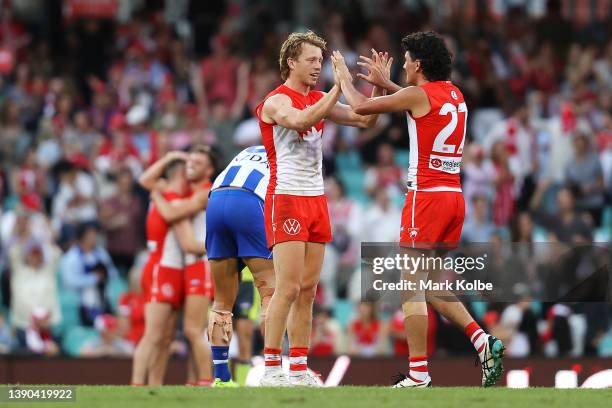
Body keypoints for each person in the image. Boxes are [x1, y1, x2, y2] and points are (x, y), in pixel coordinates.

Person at [332, 31, 504, 387]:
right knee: (431, 285)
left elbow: (362, 108)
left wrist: (345, 80)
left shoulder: (418, 94)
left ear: (419, 64)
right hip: (453, 198)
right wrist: (388, 83)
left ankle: (418, 375)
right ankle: (482, 340)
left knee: (410, 288)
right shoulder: (454, 95)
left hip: (424, 198)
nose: (404, 63)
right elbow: (418, 102)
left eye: (407, 58)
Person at [256, 30, 386, 386]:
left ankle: (297, 368)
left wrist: (378, 87)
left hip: (316, 200)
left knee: (310, 290)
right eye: (311, 60)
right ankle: (270, 368)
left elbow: (365, 119)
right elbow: (301, 121)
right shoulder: (275, 101)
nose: (317, 67)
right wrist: (338, 87)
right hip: (287, 198)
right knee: (288, 287)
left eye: (320, 61)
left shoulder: (317, 98)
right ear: (291, 62)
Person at [139, 145, 217, 386]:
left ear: (209, 170)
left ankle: (207, 380)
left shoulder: (204, 192)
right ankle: (195, 382)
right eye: (190, 162)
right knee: (192, 331)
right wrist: (171, 157)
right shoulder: (187, 191)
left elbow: (174, 216)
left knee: (194, 331)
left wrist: (157, 196)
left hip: (201, 264)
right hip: (191, 265)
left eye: (198, 163)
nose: (191, 166)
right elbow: (146, 179)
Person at [202, 145, 275, 387]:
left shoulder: (249, 149)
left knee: (222, 302)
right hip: (249, 202)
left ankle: (221, 378)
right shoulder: (288, 151)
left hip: (215, 200)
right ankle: (273, 371)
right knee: (271, 295)